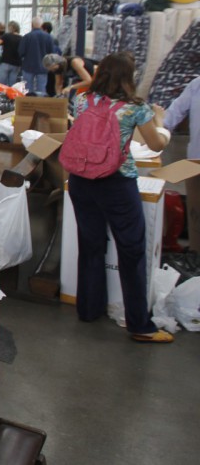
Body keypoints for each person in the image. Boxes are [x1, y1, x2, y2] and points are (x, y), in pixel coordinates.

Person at [64, 52, 171, 343]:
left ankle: (88, 309)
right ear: (129, 76)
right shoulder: (136, 108)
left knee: (91, 245)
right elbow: (155, 143)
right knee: (132, 250)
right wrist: (160, 121)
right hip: (116, 183)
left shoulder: (83, 100)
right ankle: (140, 325)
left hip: (81, 180)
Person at [163, 75, 200, 253]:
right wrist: (157, 133)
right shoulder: (196, 85)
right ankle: (196, 258)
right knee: (196, 218)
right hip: (196, 163)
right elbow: (173, 114)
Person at [19, 16, 56, 96]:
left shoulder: (27, 37)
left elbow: (21, 52)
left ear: (32, 25)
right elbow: (52, 53)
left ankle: (28, 104)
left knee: (28, 89)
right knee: (42, 89)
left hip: (28, 66)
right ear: (41, 25)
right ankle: (40, 104)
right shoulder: (49, 37)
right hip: (43, 67)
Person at [0, 21, 23, 87]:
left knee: (2, 84)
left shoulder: (6, 36)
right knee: (13, 84)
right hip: (16, 64)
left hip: (5, 62)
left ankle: (2, 96)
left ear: (11, 28)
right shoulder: (22, 38)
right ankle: (12, 97)